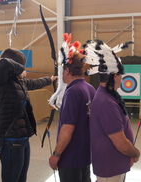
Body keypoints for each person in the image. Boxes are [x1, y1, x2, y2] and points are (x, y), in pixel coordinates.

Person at [0, 48, 57, 182]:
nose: (22, 69)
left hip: (22, 137)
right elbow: (3, 63)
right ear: (15, 66)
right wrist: (20, 69)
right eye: (20, 65)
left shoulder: (17, 82)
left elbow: (34, 83)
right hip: (10, 139)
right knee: (11, 178)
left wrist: (50, 79)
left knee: (21, 178)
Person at [84, 39, 140, 182]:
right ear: (115, 76)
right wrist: (135, 152)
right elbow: (120, 143)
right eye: (121, 74)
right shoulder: (106, 102)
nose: (122, 78)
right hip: (110, 168)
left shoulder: (107, 96)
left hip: (113, 165)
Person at [49, 34, 96, 182]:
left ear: (67, 71)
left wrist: (56, 154)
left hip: (71, 158)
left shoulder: (72, 92)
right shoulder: (89, 88)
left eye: (61, 70)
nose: (61, 74)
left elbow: (68, 128)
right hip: (84, 155)